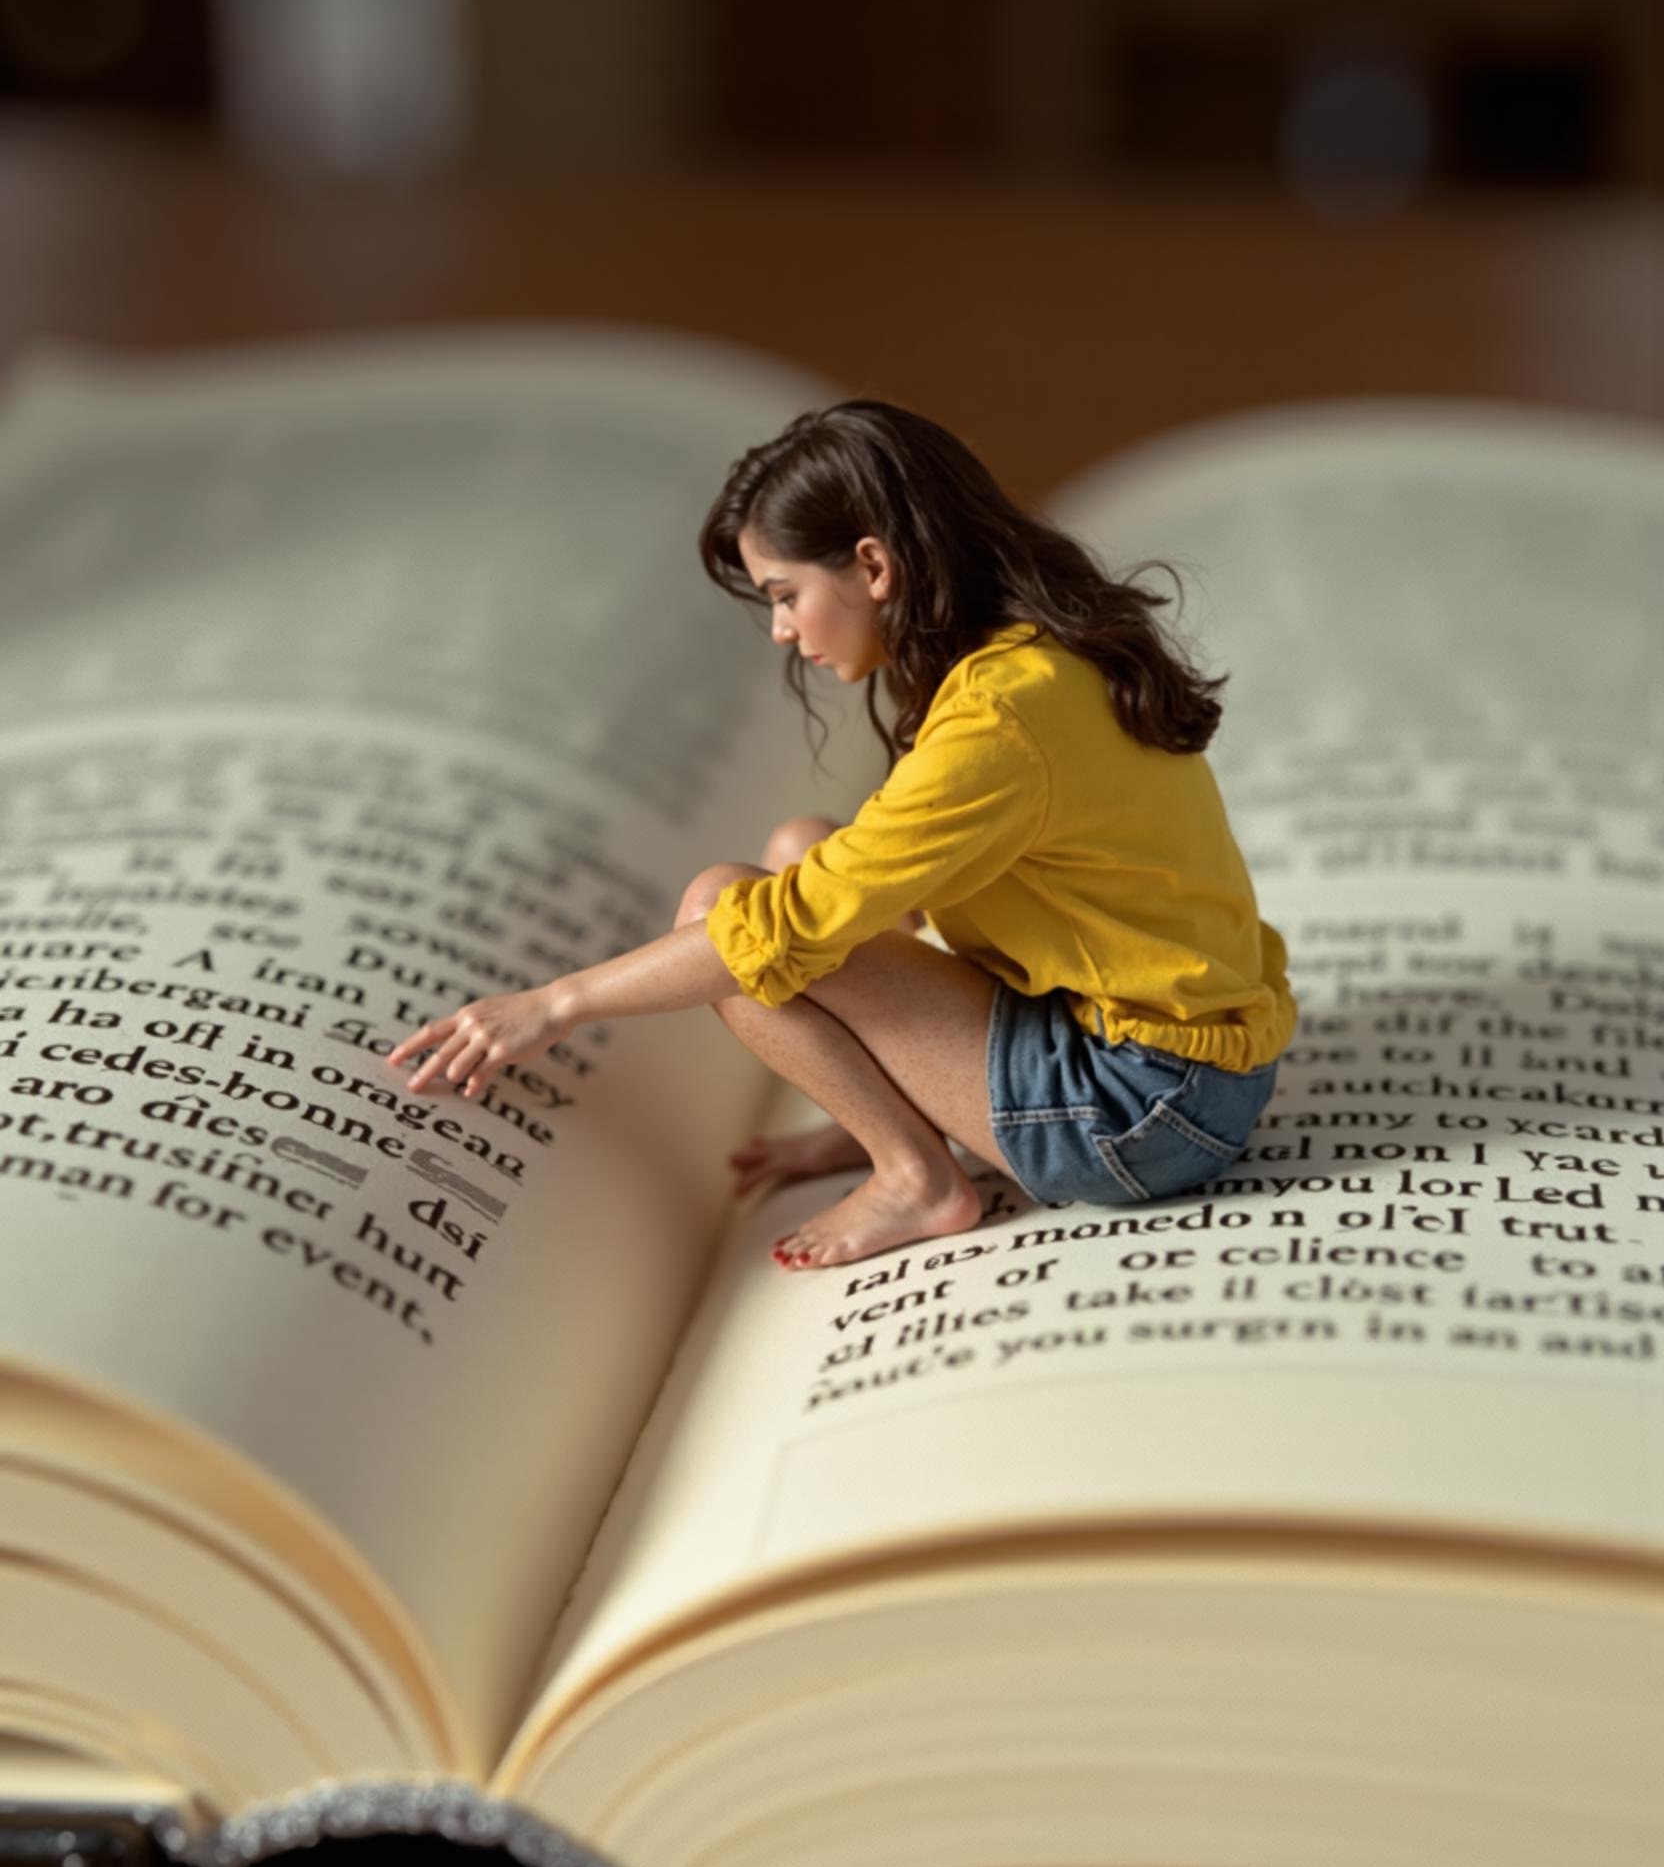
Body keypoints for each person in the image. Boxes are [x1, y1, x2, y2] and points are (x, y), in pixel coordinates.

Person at [384, 400, 1298, 1273]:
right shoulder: (1042, 653)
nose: (782, 631)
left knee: (726, 911)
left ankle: (917, 1177)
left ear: (873, 566)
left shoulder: (1001, 719)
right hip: (1188, 1065)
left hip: (1136, 1113)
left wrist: (553, 1005)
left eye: (785, 594)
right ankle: (903, 1117)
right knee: (798, 842)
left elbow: (779, 932)